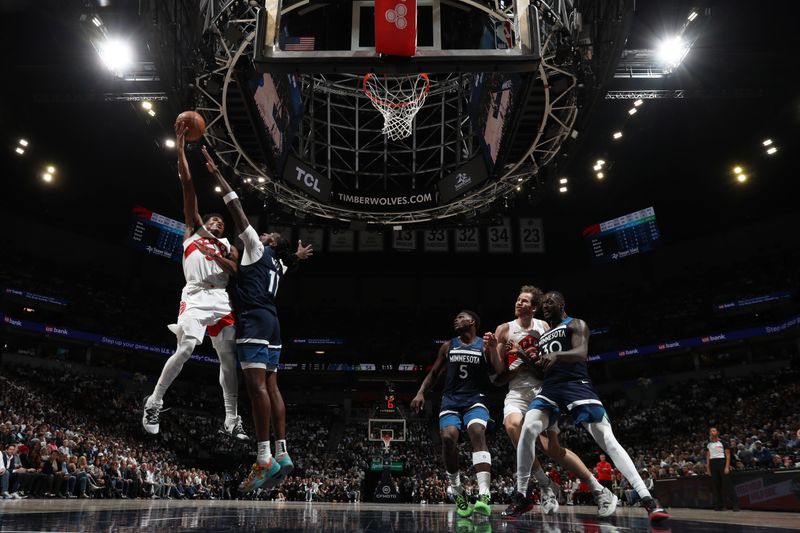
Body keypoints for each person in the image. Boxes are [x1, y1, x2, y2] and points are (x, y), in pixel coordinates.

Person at [200, 145, 312, 492]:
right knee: (273, 386)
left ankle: (263, 458)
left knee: (256, 388)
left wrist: (217, 174)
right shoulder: (276, 263)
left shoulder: (257, 248)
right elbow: (275, 262)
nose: (259, 235)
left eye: (265, 236)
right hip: (273, 322)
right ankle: (283, 451)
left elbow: (236, 210)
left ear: (267, 242)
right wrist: (295, 255)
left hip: (254, 319)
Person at [512, 291, 669, 525]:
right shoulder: (544, 336)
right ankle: (521, 495)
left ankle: (648, 499)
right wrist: (526, 357)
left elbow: (581, 353)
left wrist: (557, 355)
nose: (545, 305)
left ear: (562, 303)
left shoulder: (575, 323)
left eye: (549, 301)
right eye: (542, 302)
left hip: (576, 385)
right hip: (551, 389)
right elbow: (543, 370)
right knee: (528, 428)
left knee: (606, 437)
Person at [142, 123, 246, 442]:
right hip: (196, 296)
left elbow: (235, 271)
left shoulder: (229, 245)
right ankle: (154, 402)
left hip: (221, 299)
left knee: (229, 359)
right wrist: (180, 147)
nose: (216, 222)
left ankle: (232, 419)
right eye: (212, 219)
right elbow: (187, 183)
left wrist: (220, 255)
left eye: (220, 221)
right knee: (186, 348)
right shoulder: (195, 231)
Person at [484, 285, 616, 518]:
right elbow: (498, 373)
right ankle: (545, 487)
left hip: (543, 390)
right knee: (513, 426)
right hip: (516, 392)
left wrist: (527, 359)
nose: (518, 303)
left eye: (524, 301)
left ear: (534, 307)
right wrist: (493, 350)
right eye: (517, 299)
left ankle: (599, 489)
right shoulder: (504, 329)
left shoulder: (545, 328)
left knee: (552, 448)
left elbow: (547, 367)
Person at [411, 311, 493, 518]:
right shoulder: (448, 346)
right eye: (455, 318)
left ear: (472, 322)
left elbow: (496, 372)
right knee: (447, 438)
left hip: (475, 399)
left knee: (476, 432)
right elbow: (434, 373)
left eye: (461, 317)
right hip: (451, 400)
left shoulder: (484, 345)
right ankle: (458, 491)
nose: (456, 319)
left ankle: (484, 494)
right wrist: (421, 393)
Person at [706, 427, 739, 511]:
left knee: (728, 485)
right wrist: (708, 469)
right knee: (716, 486)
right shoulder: (708, 444)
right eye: (710, 431)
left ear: (717, 432)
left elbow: (728, 455)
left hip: (722, 463)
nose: (712, 432)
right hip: (713, 464)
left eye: (713, 430)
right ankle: (720, 505)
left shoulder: (723, 443)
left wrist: (727, 467)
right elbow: (708, 457)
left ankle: (735, 505)